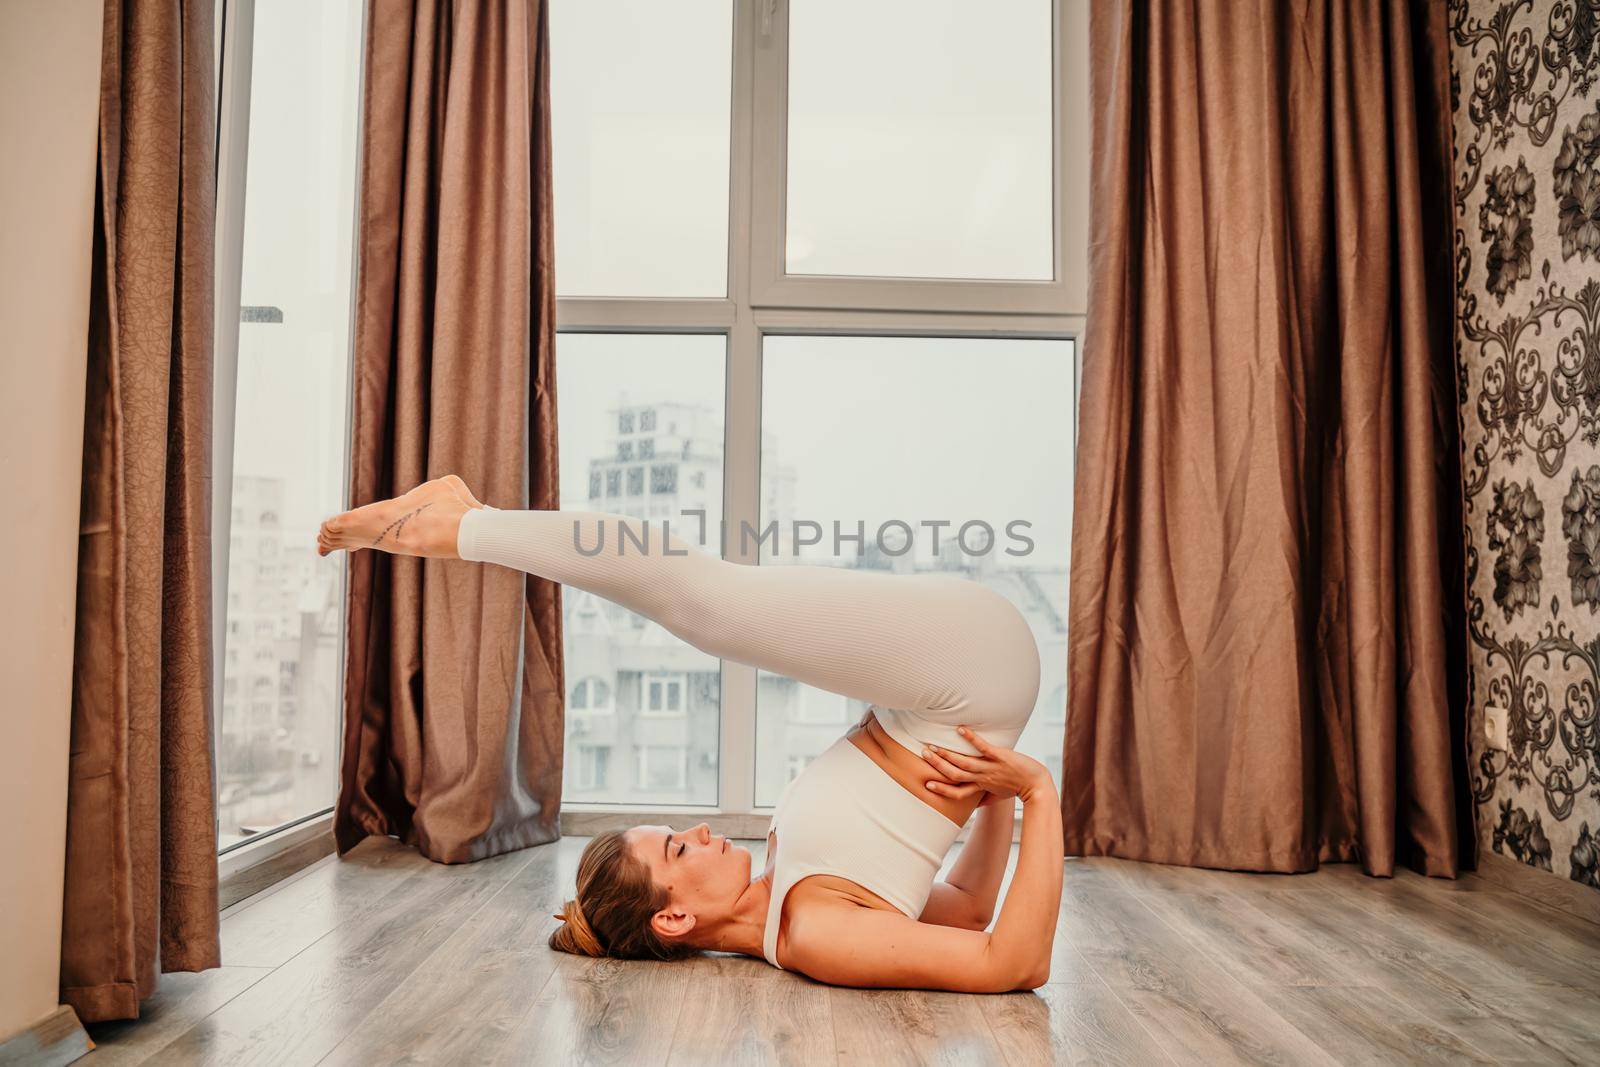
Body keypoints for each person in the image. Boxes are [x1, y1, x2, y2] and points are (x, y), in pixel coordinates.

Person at [319, 475, 1064, 992]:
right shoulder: (815, 935)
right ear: (674, 915)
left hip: (952, 686)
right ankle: (461, 524)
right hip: (972, 672)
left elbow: (965, 905)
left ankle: (466, 520)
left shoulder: (785, 886)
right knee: (708, 605)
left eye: (678, 832)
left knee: (713, 604)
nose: (702, 830)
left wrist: (995, 782)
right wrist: (1033, 788)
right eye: (678, 847)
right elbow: (1010, 958)